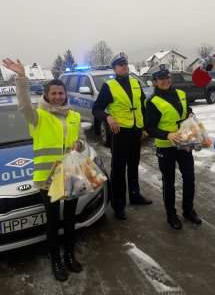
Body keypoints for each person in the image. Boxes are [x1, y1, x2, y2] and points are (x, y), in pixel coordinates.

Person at [2, 58, 85, 282]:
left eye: (61, 93)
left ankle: (69, 255)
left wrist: (79, 144)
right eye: (54, 94)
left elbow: (82, 139)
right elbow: (23, 105)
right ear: (46, 96)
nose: (58, 97)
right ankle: (55, 260)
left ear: (65, 95)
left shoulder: (75, 116)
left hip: (71, 176)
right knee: (52, 222)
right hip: (48, 179)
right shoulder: (38, 117)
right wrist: (21, 78)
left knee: (70, 219)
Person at [92, 52, 152, 220]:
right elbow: (96, 109)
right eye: (120, 65)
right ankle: (118, 205)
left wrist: (144, 128)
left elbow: (142, 106)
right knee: (118, 170)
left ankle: (135, 195)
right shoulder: (109, 86)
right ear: (115, 69)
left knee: (133, 166)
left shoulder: (135, 82)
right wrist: (108, 117)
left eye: (125, 64)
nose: (124, 66)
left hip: (136, 132)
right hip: (120, 133)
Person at [145, 64, 202, 230]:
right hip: (166, 146)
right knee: (169, 182)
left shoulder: (181, 94)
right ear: (155, 82)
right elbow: (149, 127)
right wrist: (167, 135)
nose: (166, 81)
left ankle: (188, 211)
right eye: (161, 79)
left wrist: (190, 114)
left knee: (189, 177)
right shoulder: (153, 101)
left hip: (184, 143)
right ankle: (171, 214)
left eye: (167, 77)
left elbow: (185, 110)